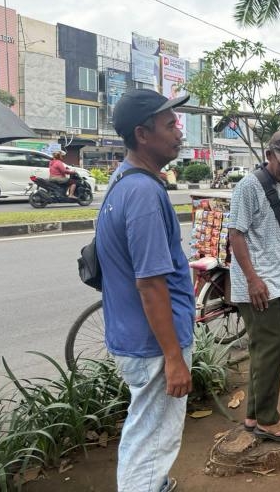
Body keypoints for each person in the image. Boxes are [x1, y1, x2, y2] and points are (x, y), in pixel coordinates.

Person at [96, 89, 194, 492]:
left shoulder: (123, 181)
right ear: (142, 134)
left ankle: (156, 484)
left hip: (135, 336)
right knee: (151, 442)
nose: (179, 132)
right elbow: (150, 283)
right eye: (170, 124)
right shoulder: (143, 193)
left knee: (146, 432)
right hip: (153, 345)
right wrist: (173, 358)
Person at [228, 130, 280, 442]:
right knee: (271, 349)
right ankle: (267, 419)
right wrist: (252, 279)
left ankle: (253, 416)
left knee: (266, 349)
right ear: (269, 155)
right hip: (257, 283)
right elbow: (236, 234)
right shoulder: (249, 186)